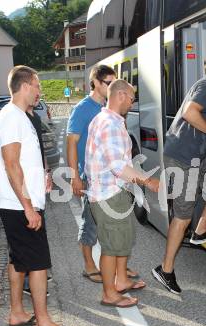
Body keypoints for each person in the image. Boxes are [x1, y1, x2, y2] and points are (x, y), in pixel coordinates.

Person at [0, 65, 76, 326]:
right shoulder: (12, 117)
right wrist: (28, 206)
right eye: (37, 86)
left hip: (17, 202)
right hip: (18, 205)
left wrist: (42, 178)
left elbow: (24, 162)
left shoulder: (18, 116)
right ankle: (44, 323)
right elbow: (12, 164)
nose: (40, 91)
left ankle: (17, 311)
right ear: (25, 86)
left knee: (20, 260)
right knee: (38, 263)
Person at [85, 79, 159, 308]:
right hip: (109, 194)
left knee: (122, 239)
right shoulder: (110, 125)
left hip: (112, 191)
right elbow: (118, 166)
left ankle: (121, 280)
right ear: (120, 95)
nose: (132, 102)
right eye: (131, 97)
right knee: (112, 246)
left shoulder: (105, 119)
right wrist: (148, 180)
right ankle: (110, 293)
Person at [152, 55, 206, 294]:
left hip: (193, 153)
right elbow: (190, 113)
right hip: (182, 157)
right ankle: (165, 270)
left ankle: (201, 230)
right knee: (182, 215)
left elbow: (193, 124)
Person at [67, 65, 116, 283]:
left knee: (110, 221)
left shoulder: (107, 107)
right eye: (109, 83)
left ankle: (117, 266)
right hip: (88, 175)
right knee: (90, 221)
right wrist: (74, 177)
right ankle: (89, 265)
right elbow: (71, 142)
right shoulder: (82, 108)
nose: (112, 87)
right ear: (95, 82)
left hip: (107, 175)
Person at [22, 102, 53, 296]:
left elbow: (39, 148)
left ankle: (36, 273)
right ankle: (28, 279)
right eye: (35, 86)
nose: (38, 91)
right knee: (27, 235)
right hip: (26, 187)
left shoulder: (34, 117)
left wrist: (47, 170)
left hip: (37, 181)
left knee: (38, 230)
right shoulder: (19, 118)